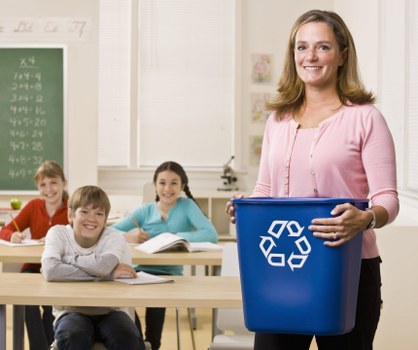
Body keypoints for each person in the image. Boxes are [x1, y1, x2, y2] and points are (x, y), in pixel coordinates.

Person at [226, 9, 399, 350]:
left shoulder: (365, 118)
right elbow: (266, 188)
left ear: (342, 54)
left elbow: (387, 200)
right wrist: (247, 206)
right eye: (302, 47)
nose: (311, 56)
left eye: (323, 47)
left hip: (347, 270)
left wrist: (365, 219)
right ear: (293, 55)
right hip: (282, 268)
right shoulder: (278, 119)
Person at [112, 160, 218, 350]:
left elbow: (211, 234)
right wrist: (130, 235)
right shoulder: (146, 210)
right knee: (123, 303)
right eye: (162, 183)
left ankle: (153, 344)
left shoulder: (187, 206)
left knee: (156, 300)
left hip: (169, 275)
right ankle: (138, 342)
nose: (167, 188)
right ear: (155, 186)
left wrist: (175, 237)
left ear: (182, 186)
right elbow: (109, 232)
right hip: (139, 272)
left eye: (173, 183)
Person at [41, 185, 145, 350]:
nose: (92, 218)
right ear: (70, 215)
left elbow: (103, 266)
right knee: (72, 337)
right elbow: (51, 270)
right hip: (70, 310)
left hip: (112, 311)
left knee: (127, 338)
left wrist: (66, 260)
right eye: (84, 212)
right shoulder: (58, 233)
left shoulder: (114, 237)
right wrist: (109, 275)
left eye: (99, 213)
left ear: (105, 220)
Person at [0, 160, 69, 350]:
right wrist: (12, 235)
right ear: (38, 187)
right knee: (27, 302)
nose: (48, 189)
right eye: (43, 185)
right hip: (32, 268)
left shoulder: (72, 208)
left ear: (64, 183)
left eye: (53, 182)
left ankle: (51, 345)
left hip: (58, 270)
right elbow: (4, 231)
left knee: (50, 307)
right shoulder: (33, 206)